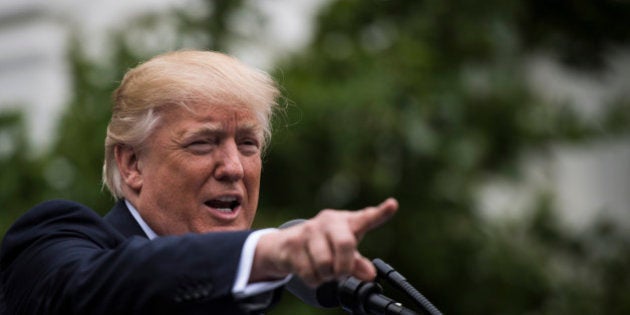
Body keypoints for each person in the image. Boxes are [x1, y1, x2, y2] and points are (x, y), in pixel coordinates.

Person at [0, 50, 398, 314]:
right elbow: (95, 288)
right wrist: (264, 252)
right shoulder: (52, 243)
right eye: (203, 143)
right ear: (132, 163)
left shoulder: (243, 299)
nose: (233, 168)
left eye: (247, 144)